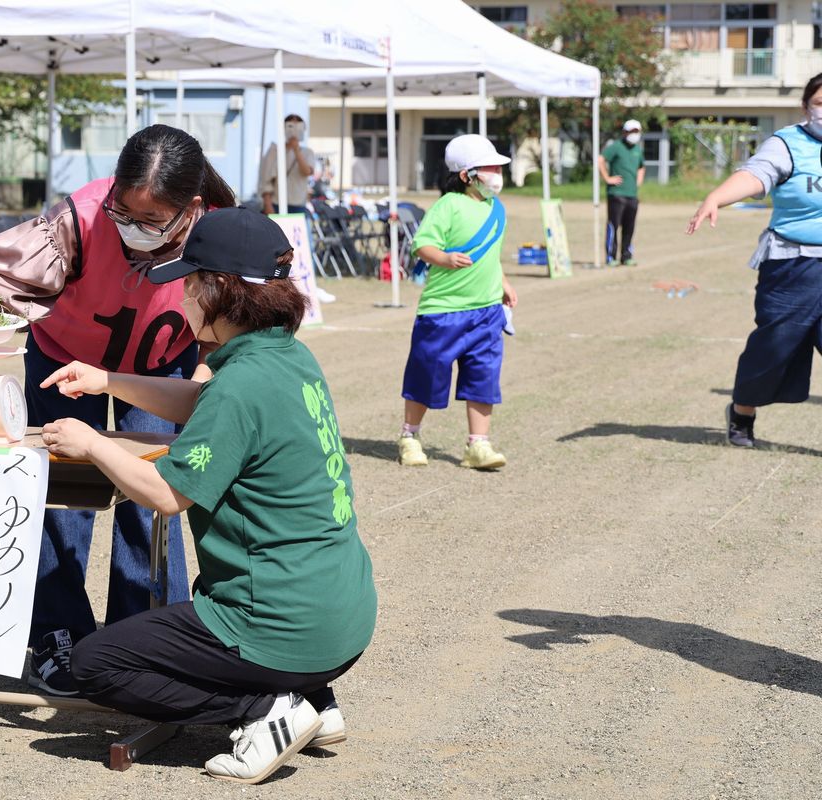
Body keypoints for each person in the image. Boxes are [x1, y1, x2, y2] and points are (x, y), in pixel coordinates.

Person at [37, 207, 376, 785]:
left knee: (100, 663)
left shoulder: (239, 384)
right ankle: (314, 699)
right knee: (199, 603)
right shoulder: (285, 358)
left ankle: (265, 710)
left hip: (280, 624)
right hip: (342, 619)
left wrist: (91, 442)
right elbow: (202, 405)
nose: (182, 297)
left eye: (191, 284)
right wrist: (108, 379)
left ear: (222, 290)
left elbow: (165, 494)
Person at [0, 124, 236, 696]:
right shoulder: (80, 216)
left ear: (191, 209)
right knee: (56, 496)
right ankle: (56, 634)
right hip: (63, 360)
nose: (132, 229)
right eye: (124, 213)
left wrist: (202, 379)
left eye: (152, 222)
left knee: (152, 498)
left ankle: (147, 635)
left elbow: (229, 323)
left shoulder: (219, 228)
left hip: (158, 369)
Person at [687, 73, 822, 448]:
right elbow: (756, 175)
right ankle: (742, 412)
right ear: (806, 107)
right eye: (821, 103)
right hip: (792, 265)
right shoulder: (787, 144)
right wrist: (717, 196)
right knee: (774, 347)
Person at [397, 133, 518, 470]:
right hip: (442, 312)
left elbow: (490, 254)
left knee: (484, 376)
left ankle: (478, 445)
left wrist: (503, 283)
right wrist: (445, 258)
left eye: (498, 167)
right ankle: (410, 436)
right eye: (490, 168)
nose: (498, 174)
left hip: (487, 311)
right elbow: (422, 246)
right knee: (426, 373)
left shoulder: (497, 209)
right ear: (467, 175)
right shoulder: (447, 205)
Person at [598, 118, 646, 266]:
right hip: (616, 193)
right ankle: (611, 257)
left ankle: (626, 255)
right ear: (624, 132)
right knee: (614, 225)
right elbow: (600, 159)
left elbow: (641, 167)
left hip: (632, 195)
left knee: (629, 227)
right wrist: (607, 178)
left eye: (637, 131)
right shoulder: (616, 147)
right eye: (632, 131)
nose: (634, 134)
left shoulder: (638, 149)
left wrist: (638, 182)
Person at [259, 114, 315, 215]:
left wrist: (296, 150)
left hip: (299, 204)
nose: (294, 130)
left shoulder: (307, 152)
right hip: (276, 203)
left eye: (298, 126)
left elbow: (307, 172)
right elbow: (265, 180)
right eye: (290, 126)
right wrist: (267, 204)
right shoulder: (274, 151)